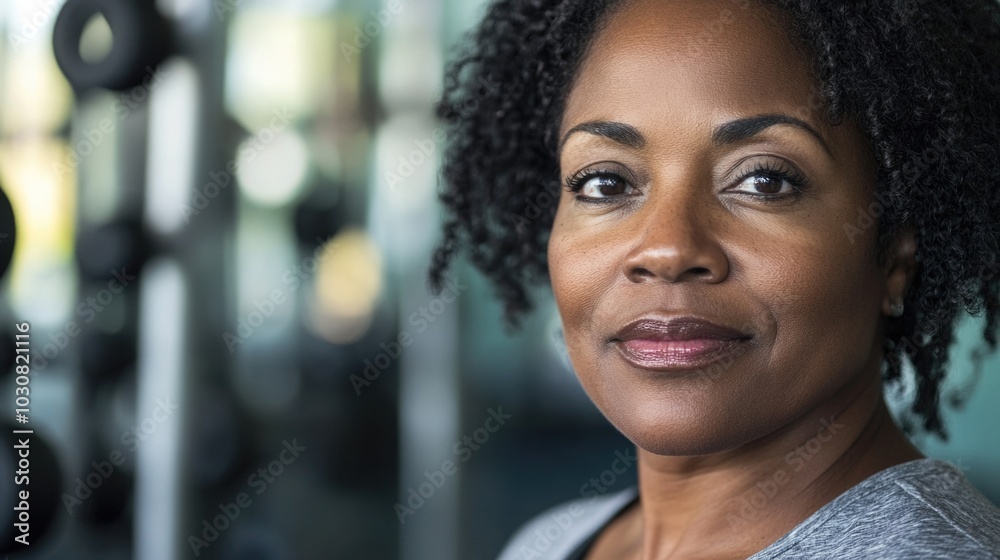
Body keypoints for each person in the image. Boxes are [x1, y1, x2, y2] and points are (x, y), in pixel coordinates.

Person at [429, 0, 1000, 558]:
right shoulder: (546, 543)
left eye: (764, 182)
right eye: (604, 183)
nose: (667, 249)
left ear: (896, 256)